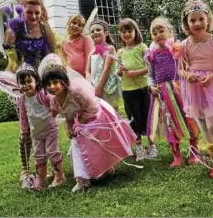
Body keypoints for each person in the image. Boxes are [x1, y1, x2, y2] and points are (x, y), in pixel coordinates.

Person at [40, 54, 137, 192]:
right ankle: (82, 178)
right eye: (48, 84)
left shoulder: (76, 92)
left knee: (99, 143)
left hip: (97, 115)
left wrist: (80, 124)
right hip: (80, 120)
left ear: (63, 81)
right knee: (77, 143)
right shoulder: (54, 101)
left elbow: (92, 108)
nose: (52, 87)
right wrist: (70, 128)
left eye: (55, 82)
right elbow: (68, 115)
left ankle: (106, 168)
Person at [2, 0, 63, 181]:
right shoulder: (16, 29)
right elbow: (10, 57)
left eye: (37, 12)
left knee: (45, 125)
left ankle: (47, 166)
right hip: (22, 82)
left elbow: (54, 55)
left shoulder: (45, 29)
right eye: (29, 12)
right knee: (25, 128)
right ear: (22, 11)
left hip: (42, 84)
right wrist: (9, 38)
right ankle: (25, 168)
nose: (34, 16)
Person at [175, 0, 213, 178]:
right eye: (193, 20)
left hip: (210, 86)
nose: (197, 23)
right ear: (186, 24)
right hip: (193, 88)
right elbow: (179, 69)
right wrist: (187, 75)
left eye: (201, 19)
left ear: (208, 20)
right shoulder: (184, 45)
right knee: (203, 126)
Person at [144, 17, 200, 167]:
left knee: (188, 118)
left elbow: (185, 66)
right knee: (169, 122)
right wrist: (151, 86)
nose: (158, 34)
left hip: (180, 89)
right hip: (163, 93)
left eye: (161, 31)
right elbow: (150, 75)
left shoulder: (177, 49)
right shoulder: (151, 55)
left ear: (169, 31)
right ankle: (176, 155)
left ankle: (194, 150)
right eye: (154, 33)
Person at [16, 63, 65, 190]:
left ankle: (59, 175)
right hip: (36, 133)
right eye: (22, 83)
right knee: (38, 155)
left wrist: (54, 114)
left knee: (52, 152)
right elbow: (23, 116)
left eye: (28, 81)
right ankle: (40, 178)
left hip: (50, 129)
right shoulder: (22, 99)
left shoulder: (42, 95)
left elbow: (55, 104)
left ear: (37, 81)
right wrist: (23, 131)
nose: (26, 85)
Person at [117, 18, 156, 161]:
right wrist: (120, 72)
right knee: (133, 118)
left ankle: (152, 146)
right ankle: (139, 147)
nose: (126, 34)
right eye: (123, 31)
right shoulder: (120, 52)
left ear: (135, 31)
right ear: (120, 34)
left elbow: (150, 67)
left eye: (129, 31)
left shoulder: (142, 47)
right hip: (127, 90)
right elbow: (118, 72)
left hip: (143, 88)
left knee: (147, 116)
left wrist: (136, 73)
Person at [86, 18, 122, 111]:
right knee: (99, 112)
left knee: (110, 111)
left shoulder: (109, 48)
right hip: (93, 86)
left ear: (105, 33)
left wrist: (99, 87)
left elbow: (106, 69)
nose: (95, 32)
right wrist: (89, 86)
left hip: (107, 86)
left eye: (98, 30)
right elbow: (88, 71)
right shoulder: (91, 53)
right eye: (92, 31)